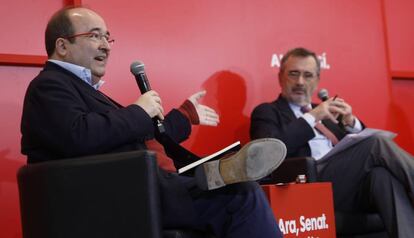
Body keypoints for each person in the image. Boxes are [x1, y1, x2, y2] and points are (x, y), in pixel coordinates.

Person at [20, 6, 287, 237]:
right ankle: (211, 175)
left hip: (139, 186)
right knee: (242, 197)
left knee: (239, 191)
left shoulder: (81, 89)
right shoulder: (49, 85)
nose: (105, 44)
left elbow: (130, 134)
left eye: (107, 37)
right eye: (94, 35)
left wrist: (183, 117)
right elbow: (80, 135)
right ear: (62, 45)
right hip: (118, 197)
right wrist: (139, 111)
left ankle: (211, 173)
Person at [250, 47, 414, 237]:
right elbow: (266, 153)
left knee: (381, 176)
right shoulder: (267, 112)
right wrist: (311, 117)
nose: (300, 82)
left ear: (317, 80)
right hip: (307, 184)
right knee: (376, 144)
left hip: (344, 187)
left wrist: (352, 124)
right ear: (280, 77)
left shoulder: (329, 114)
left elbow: (358, 148)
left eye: (308, 75)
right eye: (293, 74)